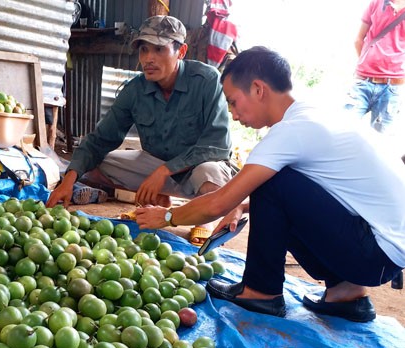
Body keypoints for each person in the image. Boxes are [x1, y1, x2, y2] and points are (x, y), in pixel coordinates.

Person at [135, 46, 405, 322]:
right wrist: (244, 206)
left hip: (374, 255)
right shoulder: (315, 113)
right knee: (270, 182)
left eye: (234, 102)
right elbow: (315, 196)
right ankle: (346, 293)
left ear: (258, 89)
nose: (234, 115)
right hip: (385, 253)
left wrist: (167, 216)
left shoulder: (291, 131)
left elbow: (218, 202)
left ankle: (260, 291)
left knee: (268, 179)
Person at [47, 15, 236, 245]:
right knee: (95, 163)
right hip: (157, 166)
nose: (148, 58)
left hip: (197, 170)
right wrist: (69, 179)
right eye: (144, 50)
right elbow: (99, 140)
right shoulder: (135, 90)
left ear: (181, 51)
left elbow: (217, 145)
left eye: (158, 49)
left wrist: (165, 171)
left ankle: (204, 220)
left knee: (210, 173)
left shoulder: (206, 81)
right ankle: (158, 201)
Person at [344, 0, 405, 134]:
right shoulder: (376, 3)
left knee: (378, 143)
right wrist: (366, 64)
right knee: (342, 133)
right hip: (362, 82)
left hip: (392, 89)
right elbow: (358, 40)